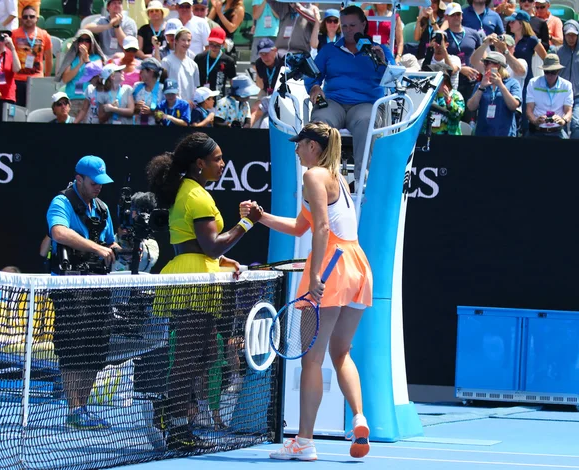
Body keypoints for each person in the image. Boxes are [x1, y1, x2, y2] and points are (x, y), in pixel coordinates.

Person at [239, 121, 373, 461]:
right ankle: (358, 417)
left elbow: (323, 228)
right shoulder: (337, 178)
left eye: (299, 144)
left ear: (313, 146)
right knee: (341, 352)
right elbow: (302, 226)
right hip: (357, 265)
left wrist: (315, 276)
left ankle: (304, 441)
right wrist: (261, 216)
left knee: (312, 359)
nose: (296, 149)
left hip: (331, 267)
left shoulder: (313, 176)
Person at [145, 132, 263, 450]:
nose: (222, 164)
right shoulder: (196, 195)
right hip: (194, 279)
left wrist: (224, 261)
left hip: (199, 274)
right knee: (187, 357)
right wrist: (247, 223)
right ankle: (177, 427)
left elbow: (202, 246)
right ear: (200, 164)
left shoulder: (190, 191)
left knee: (208, 352)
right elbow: (210, 246)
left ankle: (167, 410)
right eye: (217, 159)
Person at [46, 155, 121, 429]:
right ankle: (74, 409)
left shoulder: (101, 208)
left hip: (98, 286)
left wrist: (116, 249)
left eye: (101, 183)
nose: (99, 187)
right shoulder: (62, 202)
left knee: (94, 350)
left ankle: (84, 407)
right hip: (69, 287)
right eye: (94, 183)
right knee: (72, 349)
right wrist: (96, 247)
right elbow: (58, 233)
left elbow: (110, 243)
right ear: (79, 179)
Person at [306, 5, 394, 182]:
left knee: (367, 122)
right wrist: (315, 87)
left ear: (363, 25)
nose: (347, 30)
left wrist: (383, 63)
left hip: (366, 103)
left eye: (352, 25)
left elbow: (394, 79)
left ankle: (364, 182)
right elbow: (311, 74)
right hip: (334, 102)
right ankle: (318, 180)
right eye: (344, 26)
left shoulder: (380, 50)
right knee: (320, 123)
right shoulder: (329, 50)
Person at [466, 51, 522, 136]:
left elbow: (514, 106)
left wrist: (500, 85)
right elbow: (471, 107)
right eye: (484, 62)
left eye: (487, 63)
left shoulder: (512, 83)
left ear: (498, 66)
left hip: (505, 133)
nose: (484, 65)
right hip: (483, 133)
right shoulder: (480, 84)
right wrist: (481, 87)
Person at [56, 30, 106, 116]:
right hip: (72, 99)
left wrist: (86, 59)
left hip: (90, 100)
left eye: (87, 40)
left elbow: (97, 73)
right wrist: (80, 63)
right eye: (81, 40)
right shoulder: (71, 58)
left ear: (91, 43)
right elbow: (65, 79)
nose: (84, 43)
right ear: (77, 42)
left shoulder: (96, 58)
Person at [11, 5, 52, 106]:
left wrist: (46, 77)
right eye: (25, 17)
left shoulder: (44, 35)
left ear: (37, 18)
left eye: (31, 16)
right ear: (21, 18)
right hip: (17, 79)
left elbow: (49, 59)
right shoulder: (14, 34)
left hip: (36, 79)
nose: (28, 19)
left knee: (34, 109)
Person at [526, 53, 573, 138]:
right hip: (537, 131)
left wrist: (563, 120)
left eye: (553, 72)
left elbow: (568, 111)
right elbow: (529, 109)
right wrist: (535, 121)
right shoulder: (533, 83)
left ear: (558, 71)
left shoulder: (566, 85)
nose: (550, 75)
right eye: (547, 72)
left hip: (557, 131)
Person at [194, 27, 235, 97]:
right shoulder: (199, 58)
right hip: (200, 100)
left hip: (219, 100)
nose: (214, 48)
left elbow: (232, 82)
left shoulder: (228, 61)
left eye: (218, 45)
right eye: (211, 44)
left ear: (223, 43)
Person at [426, 63, 465, 134]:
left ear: (444, 78)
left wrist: (449, 101)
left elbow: (457, 115)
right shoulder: (428, 95)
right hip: (429, 137)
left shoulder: (456, 95)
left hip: (449, 138)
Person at [162, 26, 199, 102]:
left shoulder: (193, 64)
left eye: (189, 40)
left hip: (189, 107)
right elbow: (163, 85)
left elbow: (196, 88)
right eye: (183, 40)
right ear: (176, 41)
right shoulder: (166, 61)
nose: (186, 43)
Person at [557, 20, 579, 139]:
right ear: (564, 35)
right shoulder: (558, 52)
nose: (571, 38)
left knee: (576, 124)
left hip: (578, 95)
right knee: (561, 124)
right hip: (562, 94)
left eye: (574, 35)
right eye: (568, 35)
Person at [132, 56, 164, 125]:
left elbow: (167, 114)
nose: (140, 73)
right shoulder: (136, 86)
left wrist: (152, 112)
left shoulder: (163, 90)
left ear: (151, 72)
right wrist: (135, 107)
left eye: (142, 71)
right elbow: (128, 109)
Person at [250, 0, 278, 64]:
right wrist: (265, 1)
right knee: (256, 62)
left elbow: (278, 15)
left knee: (275, 61)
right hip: (260, 33)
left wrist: (271, 2)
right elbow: (256, 16)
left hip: (274, 33)